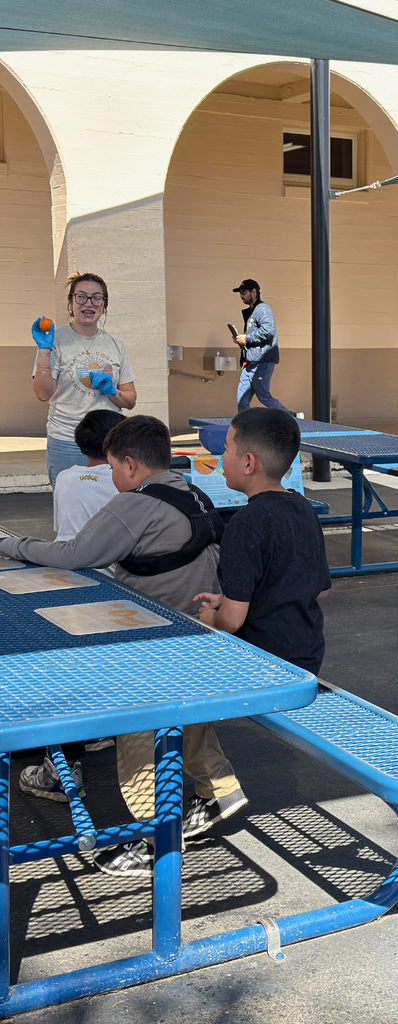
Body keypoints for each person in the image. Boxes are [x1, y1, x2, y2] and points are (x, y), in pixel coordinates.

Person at [0, 415, 247, 877]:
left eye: (113, 467)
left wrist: (13, 544)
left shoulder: (135, 503)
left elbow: (74, 554)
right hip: (198, 630)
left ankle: (157, 837)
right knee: (184, 715)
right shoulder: (194, 492)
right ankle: (220, 788)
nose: (112, 477)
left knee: (136, 730)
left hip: (155, 638)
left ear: (130, 464)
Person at [16, 409, 125, 804]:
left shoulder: (65, 477)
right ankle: (76, 752)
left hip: (65, 582)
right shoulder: (124, 484)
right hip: (116, 589)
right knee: (95, 672)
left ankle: (63, 768)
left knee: (69, 677)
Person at [195, 408, 331, 677]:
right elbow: (320, 590)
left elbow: (232, 621)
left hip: (259, 661)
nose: (220, 458)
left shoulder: (245, 524)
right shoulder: (304, 508)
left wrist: (212, 618)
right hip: (307, 654)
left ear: (248, 463)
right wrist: (232, 597)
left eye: (225, 449)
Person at [32, 271, 137, 488]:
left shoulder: (116, 344)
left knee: (109, 506)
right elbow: (43, 394)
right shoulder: (55, 340)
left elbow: (130, 400)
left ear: (104, 304)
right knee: (71, 505)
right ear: (71, 302)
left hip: (109, 442)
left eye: (96, 297)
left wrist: (112, 392)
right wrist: (44, 350)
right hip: (66, 441)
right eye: (81, 296)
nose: (89, 303)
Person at [52, 409, 124, 543]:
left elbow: (61, 528)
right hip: (106, 561)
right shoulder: (123, 480)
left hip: (62, 556)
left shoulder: (64, 477)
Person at [231, 279, 288, 414]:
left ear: (254, 292)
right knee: (242, 399)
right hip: (250, 362)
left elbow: (268, 330)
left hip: (263, 361)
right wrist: (242, 340)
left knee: (263, 396)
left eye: (244, 292)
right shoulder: (251, 312)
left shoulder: (262, 309)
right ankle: (244, 426)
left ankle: (290, 417)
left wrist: (247, 338)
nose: (242, 296)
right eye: (240, 293)